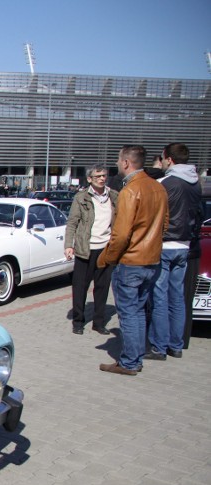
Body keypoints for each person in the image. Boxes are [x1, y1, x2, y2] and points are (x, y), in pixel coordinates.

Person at [97, 145, 169, 376]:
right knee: (137, 311)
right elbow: (164, 225)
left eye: (119, 160)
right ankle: (134, 359)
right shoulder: (158, 188)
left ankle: (129, 361)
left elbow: (121, 234)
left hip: (131, 261)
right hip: (151, 259)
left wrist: (107, 258)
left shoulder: (131, 191)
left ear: (127, 162)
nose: (117, 165)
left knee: (129, 313)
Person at [147, 143, 203, 360]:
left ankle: (159, 347)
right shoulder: (196, 182)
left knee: (159, 296)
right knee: (177, 296)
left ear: (168, 159)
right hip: (185, 245)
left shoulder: (165, 183)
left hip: (165, 244)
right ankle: (176, 345)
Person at [64, 164, 119, 335]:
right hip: (85, 248)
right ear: (89, 179)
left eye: (104, 175)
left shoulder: (114, 196)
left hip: (106, 248)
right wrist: (68, 245)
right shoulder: (81, 198)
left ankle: (99, 322)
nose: (102, 179)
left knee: (102, 287)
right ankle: (78, 321)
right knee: (80, 286)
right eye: (98, 176)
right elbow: (72, 222)